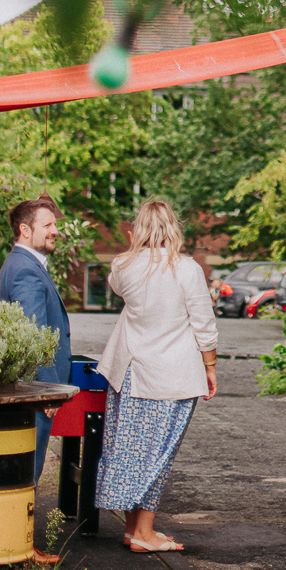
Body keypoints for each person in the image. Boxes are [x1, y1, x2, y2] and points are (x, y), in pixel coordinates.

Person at [96, 198, 217, 552]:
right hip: (171, 376)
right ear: (172, 229)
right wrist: (210, 367)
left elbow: (120, 284)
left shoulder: (122, 266)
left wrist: (136, 248)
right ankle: (145, 535)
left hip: (131, 373)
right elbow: (203, 324)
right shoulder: (187, 269)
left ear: (138, 230)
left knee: (133, 449)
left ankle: (135, 529)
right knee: (158, 453)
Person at [0, 197, 72, 564]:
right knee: (28, 469)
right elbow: (34, 332)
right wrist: (47, 389)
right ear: (25, 230)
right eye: (48, 225)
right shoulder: (25, 269)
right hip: (34, 391)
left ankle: (15, 543)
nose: (56, 230)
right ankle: (18, 547)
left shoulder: (23, 263)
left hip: (30, 389)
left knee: (27, 466)